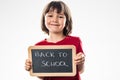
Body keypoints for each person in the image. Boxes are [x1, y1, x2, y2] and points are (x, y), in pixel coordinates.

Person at [25, 0, 85, 80]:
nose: (55, 20)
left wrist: (81, 61)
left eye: (60, 16)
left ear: (67, 21)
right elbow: (41, 76)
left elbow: (80, 70)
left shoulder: (75, 41)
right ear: (44, 19)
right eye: (50, 16)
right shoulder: (38, 47)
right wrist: (33, 67)